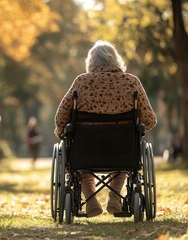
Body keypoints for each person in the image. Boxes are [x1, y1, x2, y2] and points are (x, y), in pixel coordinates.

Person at [54, 40, 157, 217]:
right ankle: (114, 198)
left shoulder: (81, 82)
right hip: (123, 150)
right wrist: (137, 128)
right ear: (116, 59)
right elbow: (150, 119)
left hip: (85, 150)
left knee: (80, 150)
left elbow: (61, 117)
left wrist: (61, 132)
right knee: (125, 145)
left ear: (91, 62)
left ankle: (91, 199)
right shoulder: (131, 82)